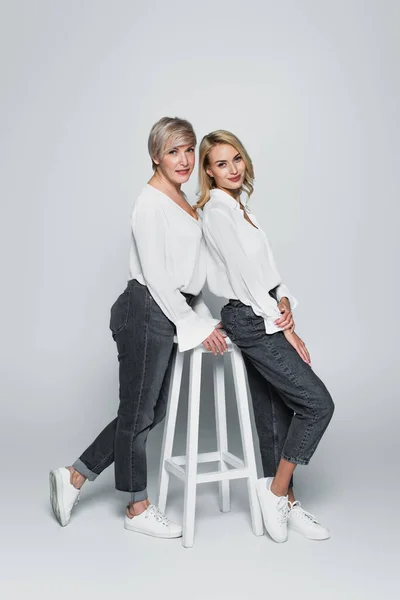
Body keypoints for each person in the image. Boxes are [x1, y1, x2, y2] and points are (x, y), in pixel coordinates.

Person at [49, 117, 227, 538]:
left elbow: (189, 277)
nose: (183, 160)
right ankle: (137, 506)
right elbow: (157, 276)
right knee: (138, 412)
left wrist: (202, 319)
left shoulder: (184, 201)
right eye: (173, 152)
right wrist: (193, 324)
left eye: (188, 150)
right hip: (146, 308)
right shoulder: (149, 204)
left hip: (167, 309)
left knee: (149, 412)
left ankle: (74, 476)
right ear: (155, 157)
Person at [197, 130, 334, 543]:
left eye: (236, 159)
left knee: (275, 411)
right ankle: (275, 492)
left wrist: (286, 300)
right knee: (317, 404)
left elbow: (270, 273)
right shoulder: (217, 213)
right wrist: (283, 328)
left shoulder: (243, 209)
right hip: (249, 317)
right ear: (208, 171)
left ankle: (287, 501)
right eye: (222, 163)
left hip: (263, 310)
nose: (233, 168)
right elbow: (243, 280)